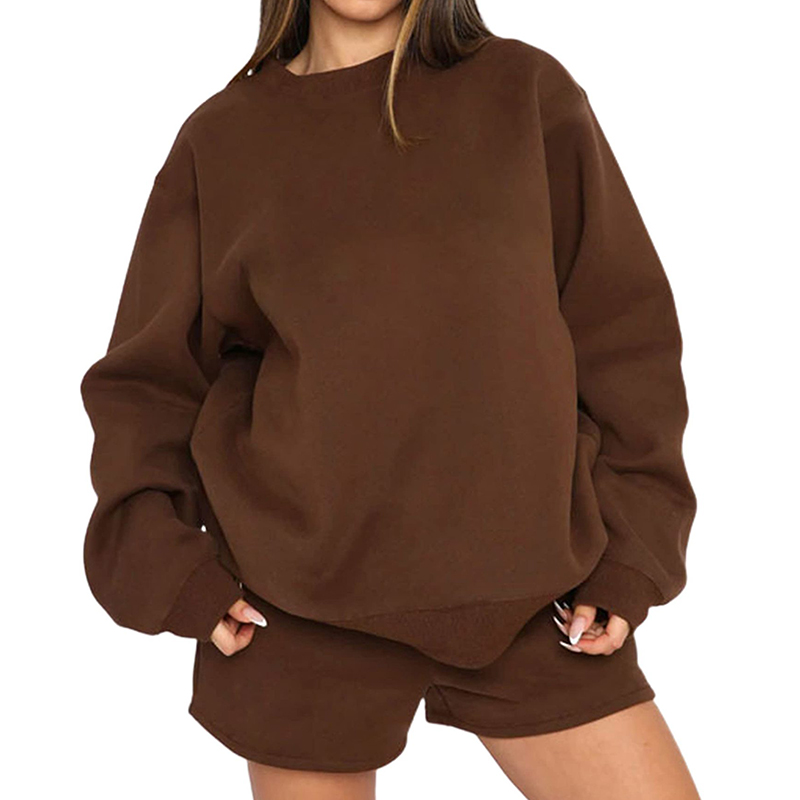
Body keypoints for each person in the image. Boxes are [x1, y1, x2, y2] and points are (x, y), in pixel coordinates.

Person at [79, 1, 701, 798]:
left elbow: (623, 338)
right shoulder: (223, 140)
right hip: (297, 610)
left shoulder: (525, 94)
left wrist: (631, 555)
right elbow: (150, 386)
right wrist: (172, 571)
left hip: (534, 593)